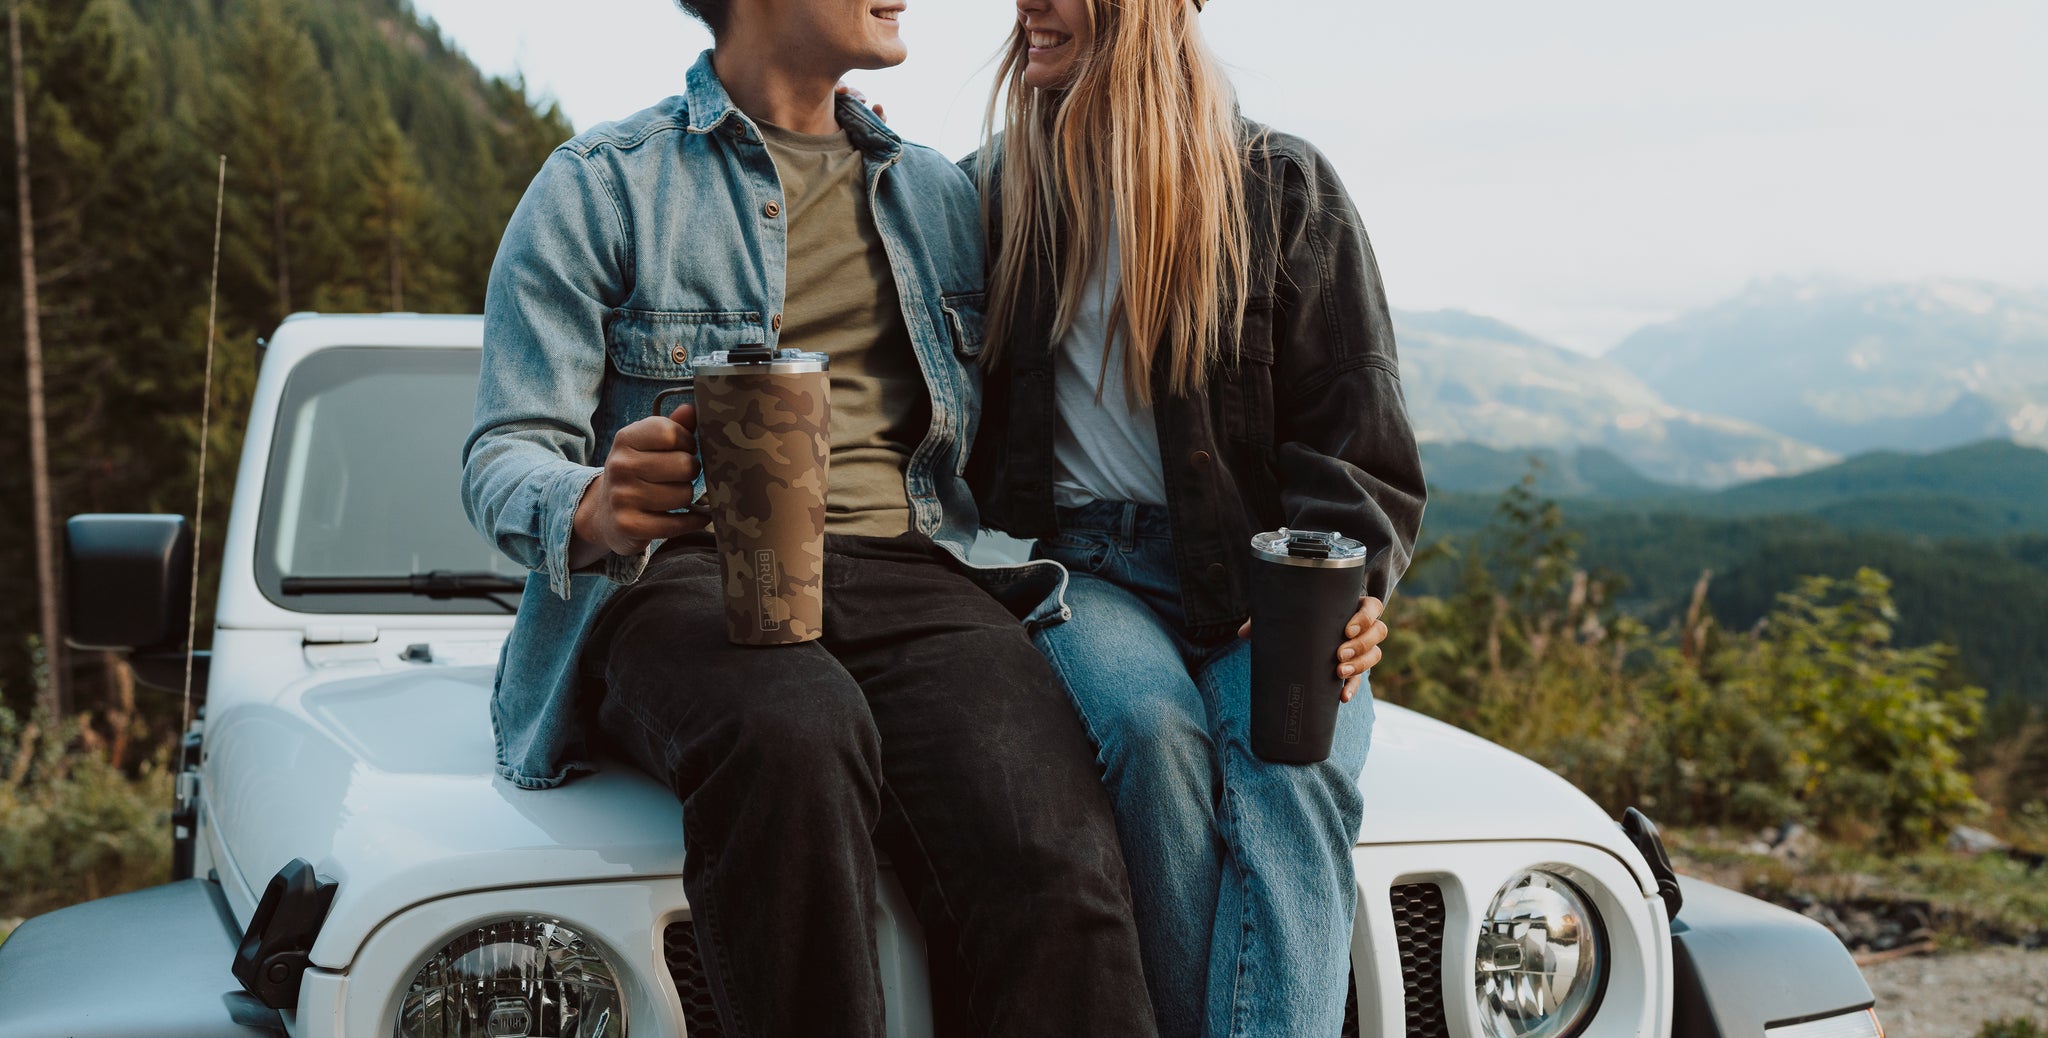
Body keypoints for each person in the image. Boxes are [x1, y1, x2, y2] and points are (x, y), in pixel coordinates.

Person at [461, 1, 1160, 1035]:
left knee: (1050, 852)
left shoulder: (938, 194)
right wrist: (595, 505)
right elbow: (502, 450)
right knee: (793, 729)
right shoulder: (601, 183)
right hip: (681, 578)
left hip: (916, 569)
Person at [965, 0, 1429, 1034]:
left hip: (1265, 574)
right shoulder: (991, 193)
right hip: (1079, 569)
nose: (1025, 6)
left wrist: (1341, 588)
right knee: (1149, 734)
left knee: (1289, 767)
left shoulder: (1281, 187)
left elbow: (1358, 436)